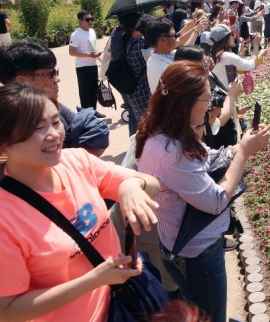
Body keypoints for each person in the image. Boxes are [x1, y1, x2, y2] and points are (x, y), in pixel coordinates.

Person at [0, 83, 160, 321]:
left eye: (55, 122)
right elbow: (7, 311)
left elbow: (153, 184)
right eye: (37, 128)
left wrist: (130, 185)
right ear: (4, 144)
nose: (54, 134)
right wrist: (94, 279)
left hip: (121, 304)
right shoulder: (5, 217)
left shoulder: (77, 161)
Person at [135, 61, 270, 322]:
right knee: (210, 317)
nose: (211, 106)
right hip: (197, 256)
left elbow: (207, 157)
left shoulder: (162, 131)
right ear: (184, 102)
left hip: (180, 246)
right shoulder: (171, 153)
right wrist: (243, 152)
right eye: (206, 99)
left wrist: (239, 145)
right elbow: (217, 201)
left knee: (199, 310)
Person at [0, 41, 109, 157]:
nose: (57, 79)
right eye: (50, 74)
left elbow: (97, 132)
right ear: (22, 81)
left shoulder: (48, 104)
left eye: (55, 122)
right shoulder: (7, 122)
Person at [69, 10, 104, 118]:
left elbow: (93, 48)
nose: (90, 21)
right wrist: (88, 55)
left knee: (94, 90)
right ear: (80, 21)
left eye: (91, 19)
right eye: (87, 19)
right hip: (82, 67)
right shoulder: (76, 34)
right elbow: (71, 52)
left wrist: (100, 59)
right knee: (85, 92)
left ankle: (93, 112)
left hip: (92, 65)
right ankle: (86, 116)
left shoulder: (92, 32)